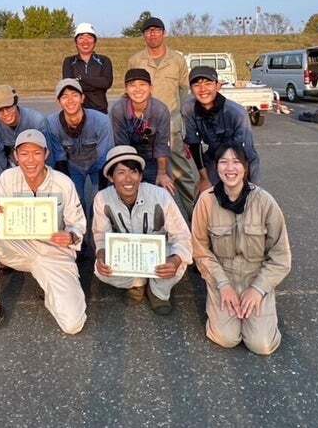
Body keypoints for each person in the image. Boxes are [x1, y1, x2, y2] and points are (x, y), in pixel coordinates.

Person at [0, 129, 87, 343]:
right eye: (24, 153)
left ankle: (51, 292)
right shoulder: (8, 178)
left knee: (73, 324)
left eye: (37, 153)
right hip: (18, 246)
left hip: (54, 252)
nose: (30, 160)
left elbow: (78, 225)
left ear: (46, 154)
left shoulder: (63, 182)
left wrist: (70, 237)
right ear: (15, 156)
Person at [191, 143, 291, 355]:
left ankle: (262, 310)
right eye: (224, 162)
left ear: (245, 168)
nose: (230, 168)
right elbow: (200, 250)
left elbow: (281, 257)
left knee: (262, 345)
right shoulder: (206, 201)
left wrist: (258, 289)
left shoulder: (265, 202)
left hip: (255, 276)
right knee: (226, 338)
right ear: (216, 167)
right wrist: (222, 284)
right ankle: (222, 311)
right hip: (222, 276)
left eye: (236, 162)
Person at [92, 146, 192, 314]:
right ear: (110, 177)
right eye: (121, 172)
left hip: (158, 253)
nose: (128, 179)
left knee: (179, 260)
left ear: (140, 176)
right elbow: (101, 235)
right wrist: (101, 256)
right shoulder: (102, 198)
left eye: (134, 172)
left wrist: (174, 261)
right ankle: (137, 283)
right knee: (101, 269)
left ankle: (158, 291)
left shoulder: (160, 196)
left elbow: (182, 235)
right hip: (128, 254)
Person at [127, 17, 198, 218]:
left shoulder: (177, 59)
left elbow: (184, 91)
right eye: (148, 31)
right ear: (144, 35)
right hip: (143, 125)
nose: (153, 34)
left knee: (183, 176)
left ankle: (196, 220)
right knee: (143, 173)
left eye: (157, 30)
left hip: (171, 126)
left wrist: (183, 124)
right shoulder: (136, 60)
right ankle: (142, 221)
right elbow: (131, 90)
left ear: (164, 33)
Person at [182, 66, 260, 195]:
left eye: (208, 83)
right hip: (214, 156)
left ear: (217, 86)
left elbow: (244, 151)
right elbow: (194, 143)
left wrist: (242, 186)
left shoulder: (237, 113)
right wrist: (204, 179)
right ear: (191, 88)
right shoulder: (188, 108)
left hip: (242, 159)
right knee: (204, 196)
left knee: (244, 198)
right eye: (196, 85)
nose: (202, 89)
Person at [46, 78, 113, 212]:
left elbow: (105, 156)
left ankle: (96, 222)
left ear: (82, 98)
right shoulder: (51, 123)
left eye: (74, 95)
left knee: (99, 202)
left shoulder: (102, 121)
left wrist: (101, 192)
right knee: (75, 202)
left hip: (97, 165)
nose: (70, 100)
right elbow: (59, 158)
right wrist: (65, 187)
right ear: (58, 102)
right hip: (73, 166)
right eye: (64, 96)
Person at [109, 68, 175, 195]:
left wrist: (162, 173)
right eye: (132, 85)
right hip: (127, 157)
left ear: (151, 88)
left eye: (142, 84)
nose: (137, 89)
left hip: (153, 158)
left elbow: (161, 145)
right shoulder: (118, 110)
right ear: (126, 89)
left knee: (164, 191)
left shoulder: (161, 110)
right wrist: (130, 174)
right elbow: (121, 145)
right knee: (122, 191)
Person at [0, 84, 50, 193]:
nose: (6, 114)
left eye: (9, 107)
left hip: (35, 163)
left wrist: (43, 181)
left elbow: (46, 156)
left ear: (16, 102)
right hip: (10, 163)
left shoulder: (37, 121)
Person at [61, 22, 114, 113]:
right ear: (76, 42)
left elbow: (106, 83)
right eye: (81, 38)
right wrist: (96, 84)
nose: (85, 41)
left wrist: (81, 78)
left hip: (100, 111)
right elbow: (70, 85)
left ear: (94, 41)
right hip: (76, 112)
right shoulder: (69, 61)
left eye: (89, 37)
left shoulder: (104, 60)